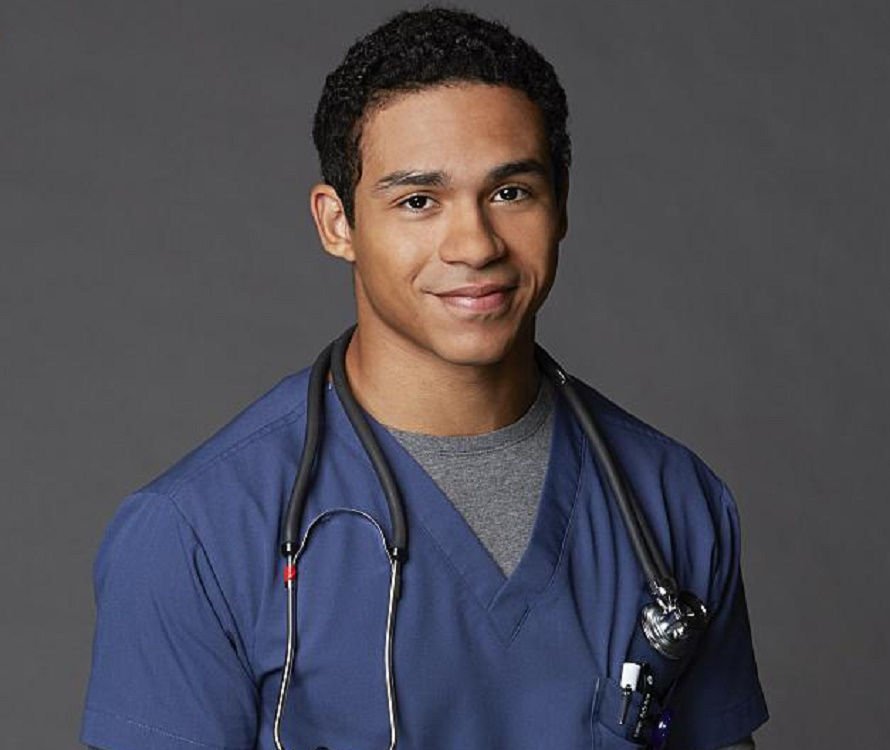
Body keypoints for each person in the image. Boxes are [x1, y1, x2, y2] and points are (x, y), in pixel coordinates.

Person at [80, 6, 768, 750]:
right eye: (418, 201)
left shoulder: (674, 501)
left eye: (511, 192)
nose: (474, 244)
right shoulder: (194, 536)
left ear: (561, 203)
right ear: (337, 223)